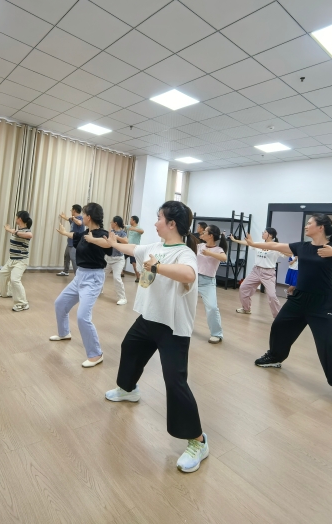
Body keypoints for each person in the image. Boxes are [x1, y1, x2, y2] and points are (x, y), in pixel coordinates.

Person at [103, 201, 210, 473]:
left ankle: (198, 441)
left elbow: (188, 274)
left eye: (159, 218)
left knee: (175, 381)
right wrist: (115, 243)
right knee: (129, 347)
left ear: (171, 223)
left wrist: (157, 267)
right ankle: (129, 390)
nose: (155, 222)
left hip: (172, 327)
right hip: (149, 318)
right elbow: (133, 249)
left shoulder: (184, 253)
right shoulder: (156, 246)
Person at [248, 214, 332, 405]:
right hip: (299, 298)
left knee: (328, 344)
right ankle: (275, 356)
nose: (306, 226)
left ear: (320, 227)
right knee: (279, 325)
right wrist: (253, 244)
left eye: (310, 223)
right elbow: (276, 246)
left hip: (322, 303)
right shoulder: (302, 247)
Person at [53, 203, 112, 367]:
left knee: (82, 317)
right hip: (80, 275)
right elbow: (75, 235)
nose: (81, 217)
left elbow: (108, 245)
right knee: (60, 304)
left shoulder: (102, 234)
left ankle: (96, 354)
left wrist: (93, 240)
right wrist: (64, 233)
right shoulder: (85, 233)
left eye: (84, 214)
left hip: (93, 279)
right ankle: (64, 333)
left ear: (89, 217)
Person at [231, 228, 286, 316]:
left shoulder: (276, 246)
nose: (263, 233)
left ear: (270, 235)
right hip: (256, 271)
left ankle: (278, 316)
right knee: (243, 288)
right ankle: (246, 309)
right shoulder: (259, 244)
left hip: (268, 273)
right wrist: (234, 240)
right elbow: (248, 243)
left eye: (265, 232)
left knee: (272, 295)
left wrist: (293, 252)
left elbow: (288, 253)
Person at [0, 211, 33, 312]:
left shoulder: (26, 230)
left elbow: (30, 235)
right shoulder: (18, 230)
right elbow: (15, 232)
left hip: (21, 261)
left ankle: (23, 303)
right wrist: (11, 230)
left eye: (16, 217)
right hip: (12, 259)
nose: (16, 219)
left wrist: (12, 231)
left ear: (19, 219)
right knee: (2, 274)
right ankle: (7, 292)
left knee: (14, 280)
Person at [197, 225, 227, 343]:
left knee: (212, 308)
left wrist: (209, 253)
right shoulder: (199, 246)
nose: (202, 233)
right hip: (193, 278)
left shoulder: (218, 250)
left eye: (205, 231)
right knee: (181, 302)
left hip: (207, 282)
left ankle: (217, 334)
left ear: (210, 236)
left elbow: (224, 258)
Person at [105, 216, 128, 305]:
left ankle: (122, 298)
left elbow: (126, 241)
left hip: (118, 260)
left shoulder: (122, 233)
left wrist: (117, 237)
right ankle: (97, 291)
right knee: (101, 275)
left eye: (112, 222)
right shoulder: (111, 231)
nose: (110, 223)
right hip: (108, 258)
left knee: (116, 277)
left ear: (115, 223)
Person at [57, 204, 85, 276]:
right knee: (66, 256)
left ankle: (78, 275)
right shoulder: (72, 219)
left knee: (73, 259)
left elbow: (79, 223)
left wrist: (73, 218)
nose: (71, 211)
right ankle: (65, 271)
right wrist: (63, 217)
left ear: (74, 210)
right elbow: (68, 219)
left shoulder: (80, 218)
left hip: (75, 243)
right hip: (70, 241)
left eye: (71, 210)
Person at [125, 215, 144, 282]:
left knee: (134, 263)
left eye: (131, 220)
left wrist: (134, 229)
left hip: (134, 249)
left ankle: (138, 277)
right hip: (127, 247)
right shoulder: (129, 227)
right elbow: (124, 226)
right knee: (120, 259)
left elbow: (142, 231)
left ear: (134, 221)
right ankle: (121, 273)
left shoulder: (138, 228)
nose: (130, 221)